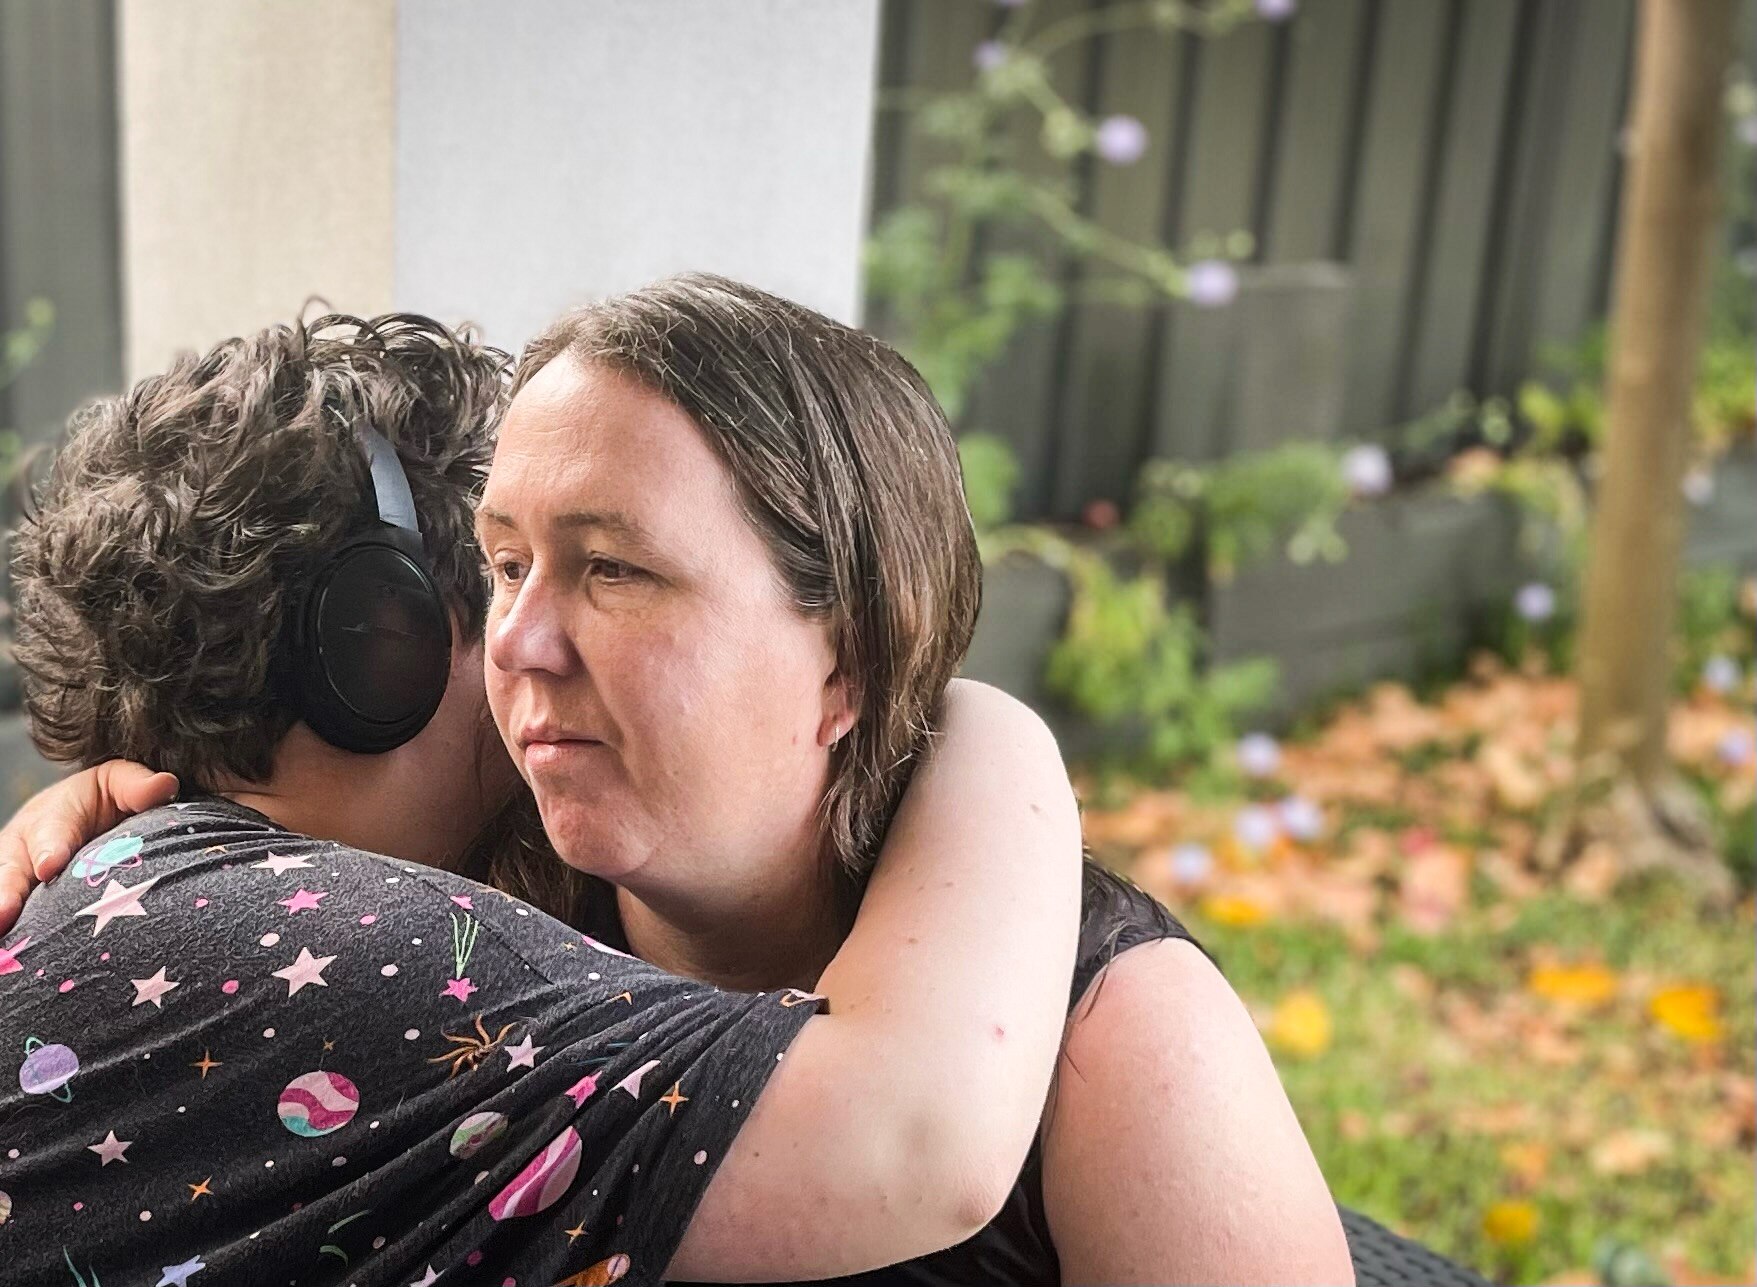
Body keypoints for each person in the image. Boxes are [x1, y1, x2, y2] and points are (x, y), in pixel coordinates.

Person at [9, 275, 1356, 1284]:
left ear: (853, 655)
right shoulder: (456, 927)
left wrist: (995, 729)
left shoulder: (1114, 1040)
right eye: (503, 563)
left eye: (614, 569)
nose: (521, 644)